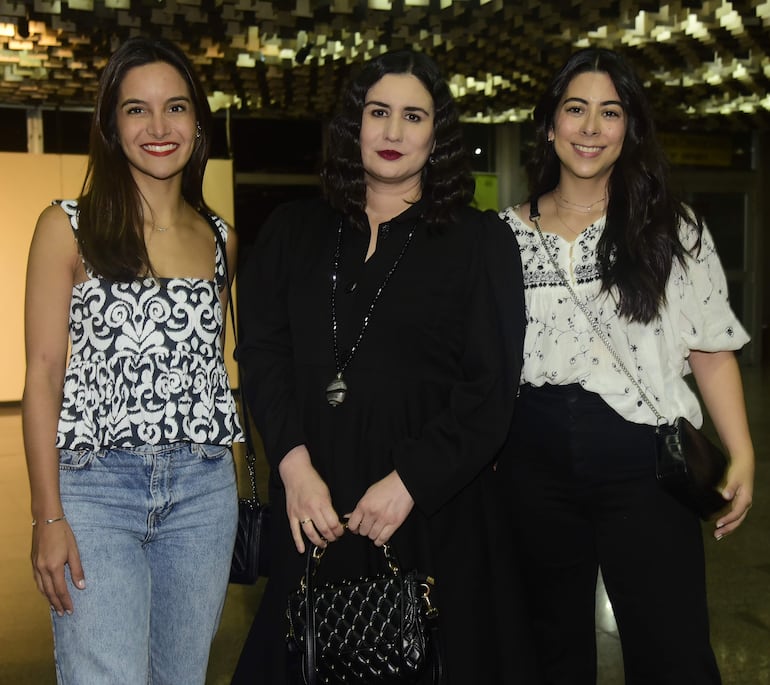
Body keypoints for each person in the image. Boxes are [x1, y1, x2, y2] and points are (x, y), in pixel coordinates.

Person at [232, 49, 531, 684]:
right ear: (353, 126)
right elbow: (261, 354)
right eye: (378, 112)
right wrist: (292, 465)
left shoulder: (481, 243)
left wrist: (410, 482)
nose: (393, 132)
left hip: (432, 513)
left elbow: (490, 393)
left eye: (413, 116)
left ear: (437, 134)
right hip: (313, 506)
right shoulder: (291, 232)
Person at [498, 47, 755, 684]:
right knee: (547, 647)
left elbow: (711, 350)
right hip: (531, 460)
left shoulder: (673, 229)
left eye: (609, 113)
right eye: (576, 109)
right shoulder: (502, 237)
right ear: (550, 123)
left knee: (672, 649)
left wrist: (742, 452)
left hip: (646, 461)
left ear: (630, 127)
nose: (590, 128)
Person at [22, 36, 241, 685]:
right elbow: (41, 375)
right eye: (136, 110)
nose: (158, 126)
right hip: (95, 491)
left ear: (197, 122)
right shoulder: (67, 225)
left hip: (203, 492)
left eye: (175, 107)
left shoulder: (221, 236)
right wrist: (47, 515)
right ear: (112, 126)